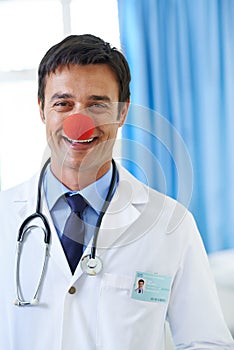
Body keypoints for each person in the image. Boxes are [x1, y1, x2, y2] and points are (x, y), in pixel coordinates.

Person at [0, 34, 233, 350]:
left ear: (122, 113)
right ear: (42, 110)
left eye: (96, 104)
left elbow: (207, 342)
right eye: (63, 103)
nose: (78, 123)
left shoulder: (172, 225)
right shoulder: (5, 215)